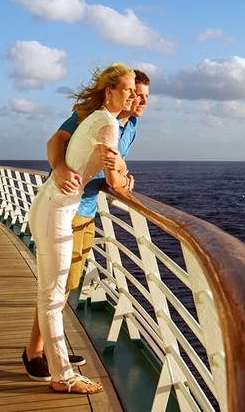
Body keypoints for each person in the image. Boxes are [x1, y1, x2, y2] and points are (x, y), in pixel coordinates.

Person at [21, 70, 150, 383]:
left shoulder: (130, 126)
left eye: (145, 96)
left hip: (87, 207)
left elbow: (113, 164)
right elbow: (57, 141)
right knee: (58, 287)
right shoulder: (92, 116)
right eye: (135, 92)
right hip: (68, 207)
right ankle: (35, 352)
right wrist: (61, 167)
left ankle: (52, 349)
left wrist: (123, 174)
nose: (140, 101)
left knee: (67, 284)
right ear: (114, 92)